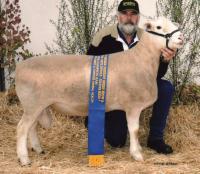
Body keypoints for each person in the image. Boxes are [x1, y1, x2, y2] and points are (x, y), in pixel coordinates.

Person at [85, 0, 176, 154]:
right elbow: (90, 69)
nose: (129, 17)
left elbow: (155, 75)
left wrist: (165, 60)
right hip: (113, 94)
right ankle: (96, 122)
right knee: (117, 141)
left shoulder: (148, 36)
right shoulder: (103, 36)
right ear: (118, 16)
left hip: (139, 88)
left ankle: (155, 139)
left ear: (138, 17)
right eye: (124, 13)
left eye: (133, 14)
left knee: (165, 88)